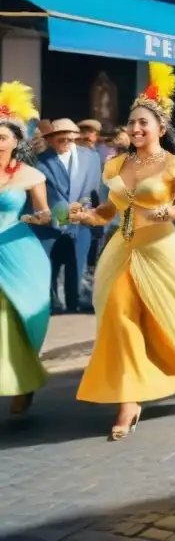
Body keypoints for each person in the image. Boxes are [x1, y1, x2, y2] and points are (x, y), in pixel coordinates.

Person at [71, 63, 175, 440]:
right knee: (118, 313)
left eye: (143, 123)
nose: (136, 129)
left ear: (161, 129)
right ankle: (129, 401)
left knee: (156, 323)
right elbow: (109, 212)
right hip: (121, 251)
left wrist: (171, 210)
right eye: (131, 124)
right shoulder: (116, 164)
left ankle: (154, 376)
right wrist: (87, 217)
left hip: (161, 252)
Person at [0, 82, 53, 416]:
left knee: (22, 317)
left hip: (18, 251)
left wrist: (40, 217)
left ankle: (25, 380)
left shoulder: (31, 175)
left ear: (16, 141)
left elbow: (46, 214)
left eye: (2, 137)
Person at [33, 118, 101, 314]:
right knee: (50, 266)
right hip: (51, 224)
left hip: (82, 221)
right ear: (51, 139)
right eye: (60, 139)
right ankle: (51, 302)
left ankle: (76, 301)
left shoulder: (91, 158)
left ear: (75, 137)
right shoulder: (39, 161)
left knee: (77, 263)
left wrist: (95, 218)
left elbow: (95, 191)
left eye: (69, 139)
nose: (65, 143)